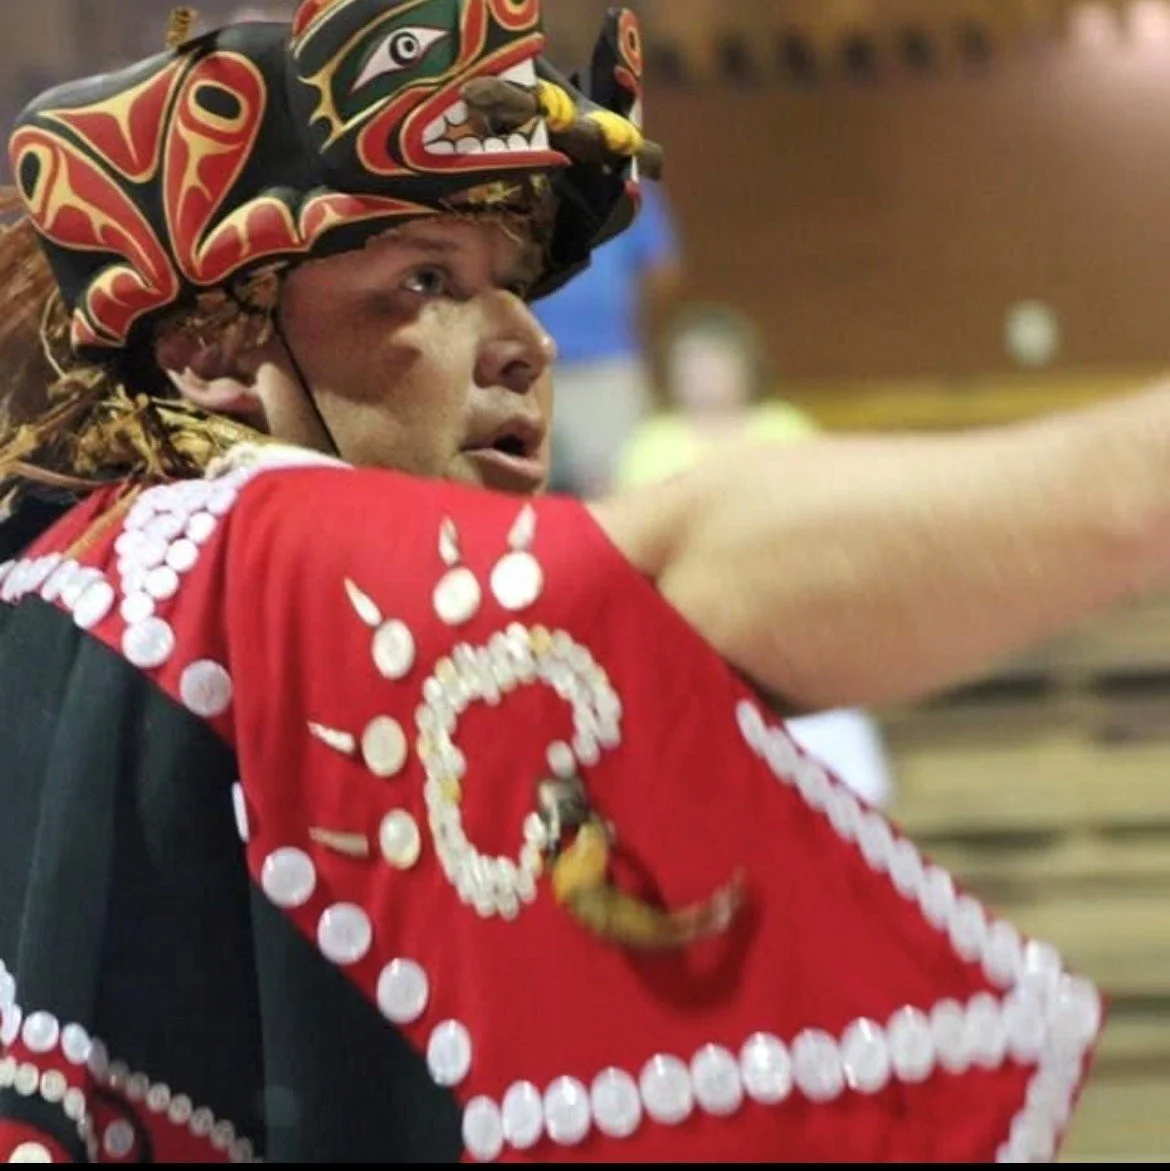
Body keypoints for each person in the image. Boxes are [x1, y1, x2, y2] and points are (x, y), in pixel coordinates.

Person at [0, 0, 1113, 1163]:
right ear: (214, 354)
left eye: (514, 280)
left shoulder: (84, 577)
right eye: (427, 281)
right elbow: (672, 585)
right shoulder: (240, 545)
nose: (527, 339)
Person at [616, 304, 896, 810]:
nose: (704, 378)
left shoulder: (785, 429)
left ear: (745, 366)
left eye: (715, 364)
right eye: (692, 365)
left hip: (785, 617)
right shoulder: (652, 444)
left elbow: (827, 518)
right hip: (687, 628)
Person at [535, 182, 682, 498]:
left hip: (610, 363)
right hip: (535, 363)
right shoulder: (525, 186)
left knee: (615, 483)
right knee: (534, 479)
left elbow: (661, 269)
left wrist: (628, 318)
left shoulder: (630, 190)